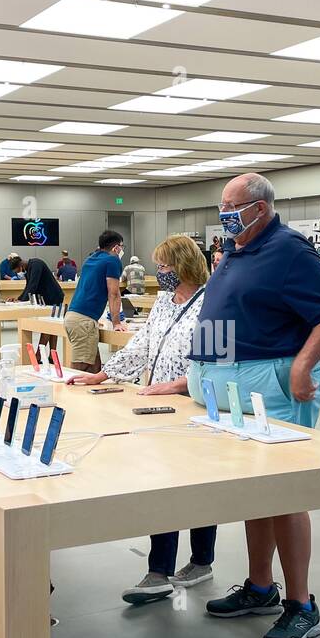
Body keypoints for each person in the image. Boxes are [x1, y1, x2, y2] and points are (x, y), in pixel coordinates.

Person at [194, 173, 320, 638]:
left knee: (284, 492)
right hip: (227, 385)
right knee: (254, 493)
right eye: (222, 207)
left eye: (232, 206)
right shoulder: (235, 249)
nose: (225, 215)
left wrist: (305, 365)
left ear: (259, 209)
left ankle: (302, 605)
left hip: (272, 386)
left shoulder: (290, 250)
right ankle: (260, 586)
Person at [69, 236, 216, 603]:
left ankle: (200, 561)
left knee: (198, 485)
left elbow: (217, 363)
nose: (159, 274)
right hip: (159, 408)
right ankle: (159, 570)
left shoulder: (215, 303)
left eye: (164, 267)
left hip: (194, 407)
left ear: (183, 266)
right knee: (163, 483)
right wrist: (102, 375)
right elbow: (141, 345)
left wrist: (175, 386)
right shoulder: (164, 303)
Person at [65, 231, 127, 372]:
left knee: (94, 368)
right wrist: (116, 323)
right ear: (116, 248)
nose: (122, 251)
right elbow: (114, 293)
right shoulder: (113, 260)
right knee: (80, 369)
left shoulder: (92, 258)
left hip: (74, 317)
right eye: (122, 247)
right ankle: (68, 393)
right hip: (83, 322)